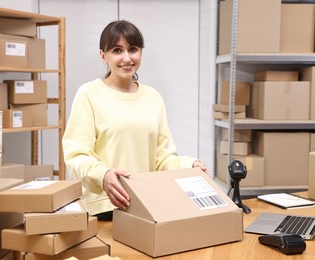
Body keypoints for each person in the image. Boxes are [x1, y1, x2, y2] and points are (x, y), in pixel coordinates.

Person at [62, 20, 207, 220]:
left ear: (141, 52)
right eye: (117, 50)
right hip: (104, 207)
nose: (127, 58)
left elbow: (162, 159)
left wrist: (190, 166)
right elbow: (76, 156)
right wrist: (103, 175)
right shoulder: (89, 94)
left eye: (133, 49)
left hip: (146, 206)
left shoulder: (153, 97)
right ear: (103, 56)